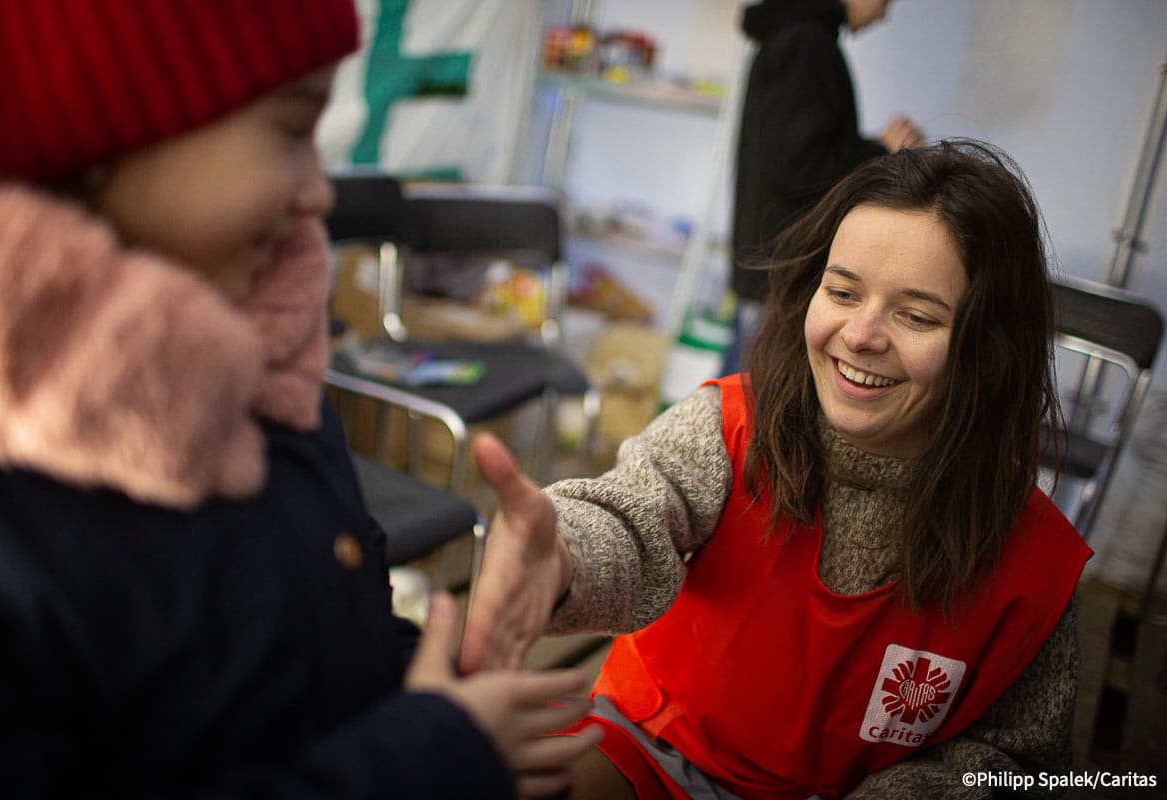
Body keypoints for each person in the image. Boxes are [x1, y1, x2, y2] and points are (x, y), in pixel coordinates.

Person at [0, 1, 600, 797]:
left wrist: (438, 678)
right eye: (291, 130)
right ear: (106, 122)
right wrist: (425, 755)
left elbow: (302, 625)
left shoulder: (251, 363)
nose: (319, 196)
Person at [461, 140, 1092, 799]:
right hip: (649, 752)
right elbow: (634, 513)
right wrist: (562, 555)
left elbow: (1013, 759)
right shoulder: (730, 426)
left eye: (915, 315)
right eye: (842, 291)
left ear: (990, 347)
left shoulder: (1034, 565)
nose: (861, 333)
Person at [723, 0, 925, 375]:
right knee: (744, 406)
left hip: (771, 263)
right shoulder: (807, 45)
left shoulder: (795, 35)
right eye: (886, 1)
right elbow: (798, 167)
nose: (884, 14)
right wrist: (879, 151)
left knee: (738, 398)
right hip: (782, 269)